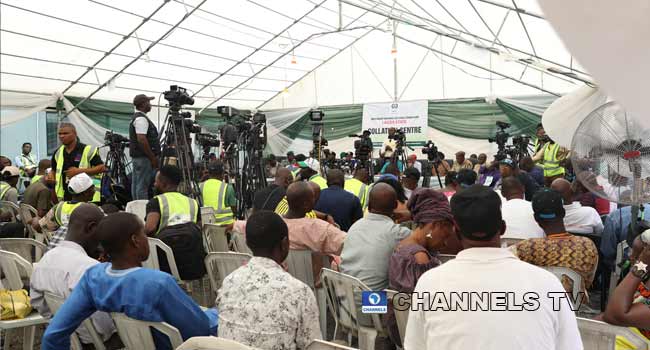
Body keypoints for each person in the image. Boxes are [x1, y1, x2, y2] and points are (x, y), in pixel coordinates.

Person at [404, 185, 583, 350]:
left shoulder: (430, 283)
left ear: (456, 231)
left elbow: (415, 345)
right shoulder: (548, 284)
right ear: (503, 228)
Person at [41, 212, 218, 350]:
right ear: (135, 241)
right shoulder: (158, 284)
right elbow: (200, 330)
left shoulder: (93, 278)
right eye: (143, 234)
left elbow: (53, 335)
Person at [216, 211, 322, 349]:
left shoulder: (229, 281)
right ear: (284, 244)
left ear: (247, 243)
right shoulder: (300, 292)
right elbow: (313, 346)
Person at [30, 204, 118, 347]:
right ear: (91, 228)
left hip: (67, 341)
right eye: (102, 232)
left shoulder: (45, 259)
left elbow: (38, 303)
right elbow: (105, 329)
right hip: (94, 344)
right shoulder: (90, 268)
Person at [387, 189, 454, 347]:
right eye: (445, 237)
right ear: (434, 225)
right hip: (415, 331)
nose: (444, 244)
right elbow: (431, 303)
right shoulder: (420, 257)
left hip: (397, 323)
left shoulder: (402, 245)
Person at [513, 189, 599, 300]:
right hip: (574, 308)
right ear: (563, 213)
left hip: (537, 305)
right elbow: (588, 281)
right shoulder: (587, 245)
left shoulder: (525, 248)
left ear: (536, 218)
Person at [340, 183, 411, 291]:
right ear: (396, 205)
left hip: (345, 301)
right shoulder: (396, 232)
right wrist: (412, 215)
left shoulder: (355, 226)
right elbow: (425, 237)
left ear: (369, 206)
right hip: (374, 304)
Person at [145, 165, 205, 280]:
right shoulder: (192, 202)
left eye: (156, 182)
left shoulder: (156, 202)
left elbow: (150, 228)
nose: (154, 184)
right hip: (193, 265)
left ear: (164, 184)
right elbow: (199, 228)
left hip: (165, 266)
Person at [603, 235, 650, 340]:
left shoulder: (641, 271)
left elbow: (614, 316)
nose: (631, 259)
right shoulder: (644, 281)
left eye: (637, 256)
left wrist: (640, 266)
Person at [34, 173, 97, 247]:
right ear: (86, 192)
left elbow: (39, 227)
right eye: (93, 188)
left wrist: (35, 220)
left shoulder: (59, 207)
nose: (95, 191)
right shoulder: (92, 210)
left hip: (59, 249)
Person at [50, 123, 105, 202]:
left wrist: (79, 171)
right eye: (60, 134)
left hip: (86, 196)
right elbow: (54, 170)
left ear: (75, 134)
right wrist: (51, 176)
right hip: (65, 196)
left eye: (65, 133)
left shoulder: (87, 149)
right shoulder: (58, 152)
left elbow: (102, 168)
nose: (62, 136)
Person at [129, 94, 160, 200]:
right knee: (142, 186)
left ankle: (136, 208)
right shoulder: (141, 119)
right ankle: (142, 211)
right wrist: (152, 157)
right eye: (148, 102)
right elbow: (142, 139)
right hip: (143, 158)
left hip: (138, 157)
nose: (150, 105)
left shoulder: (137, 117)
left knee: (137, 184)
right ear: (143, 105)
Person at [200, 161, 236, 226]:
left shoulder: (200, 186)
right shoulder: (227, 187)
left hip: (207, 226)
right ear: (222, 174)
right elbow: (234, 209)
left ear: (209, 173)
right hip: (226, 227)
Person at [0, 166, 24, 238]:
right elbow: (14, 211)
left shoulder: (2, 186)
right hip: (5, 222)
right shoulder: (11, 190)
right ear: (15, 178)